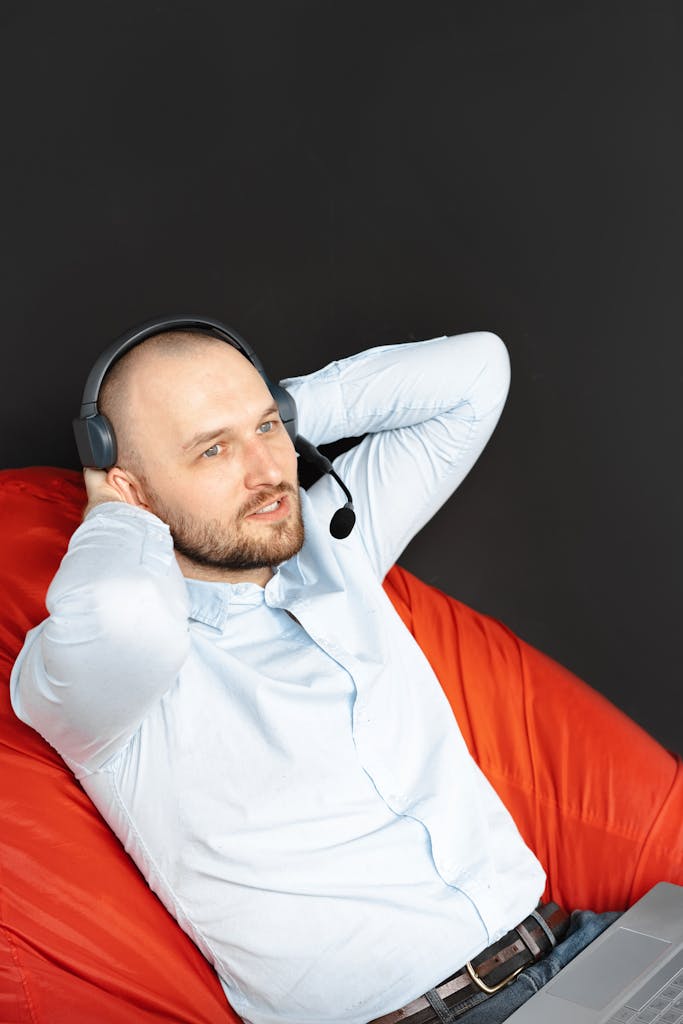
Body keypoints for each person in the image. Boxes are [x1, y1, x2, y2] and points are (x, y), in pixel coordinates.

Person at [10, 324, 618, 1024]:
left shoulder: (331, 546)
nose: (267, 469)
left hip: (580, 948)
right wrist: (116, 509)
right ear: (130, 488)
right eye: (212, 449)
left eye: (266, 428)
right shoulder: (102, 678)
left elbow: (475, 374)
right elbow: (125, 616)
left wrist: (281, 412)